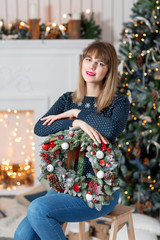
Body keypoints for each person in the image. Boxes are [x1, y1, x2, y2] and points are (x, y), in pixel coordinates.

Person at [14, 41, 130, 240]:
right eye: (89, 59)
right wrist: (75, 123)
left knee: (38, 209)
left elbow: (110, 129)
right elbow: (40, 127)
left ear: (109, 70)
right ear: (82, 63)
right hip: (67, 184)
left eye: (100, 63)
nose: (92, 67)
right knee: (22, 233)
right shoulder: (67, 99)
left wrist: (77, 113)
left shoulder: (118, 103)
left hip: (100, 190)